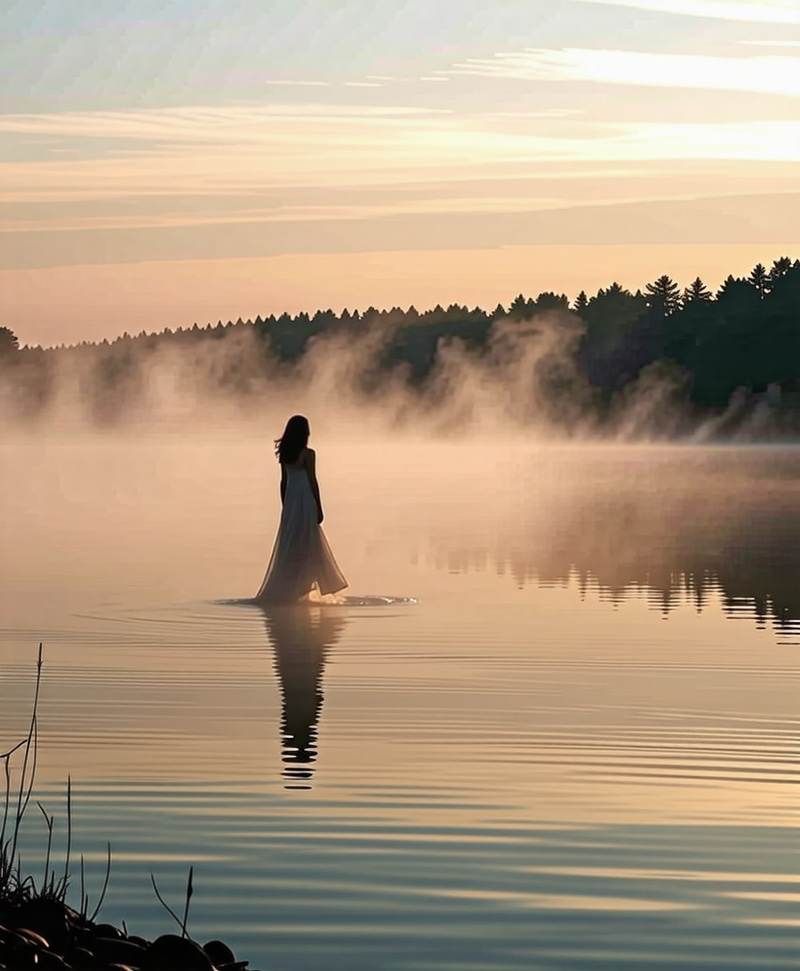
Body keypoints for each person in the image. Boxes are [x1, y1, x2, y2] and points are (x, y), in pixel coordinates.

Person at [255, 415, 347, 603]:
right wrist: (319, 507)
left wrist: (285, 506)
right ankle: (303, 586)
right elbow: (313, 481)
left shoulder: (285, 453)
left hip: (291, 500)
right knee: (308, 540)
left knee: (294, 542)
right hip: (305, 500)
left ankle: (298, 586)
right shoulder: (308, 454)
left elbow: (284, 482)